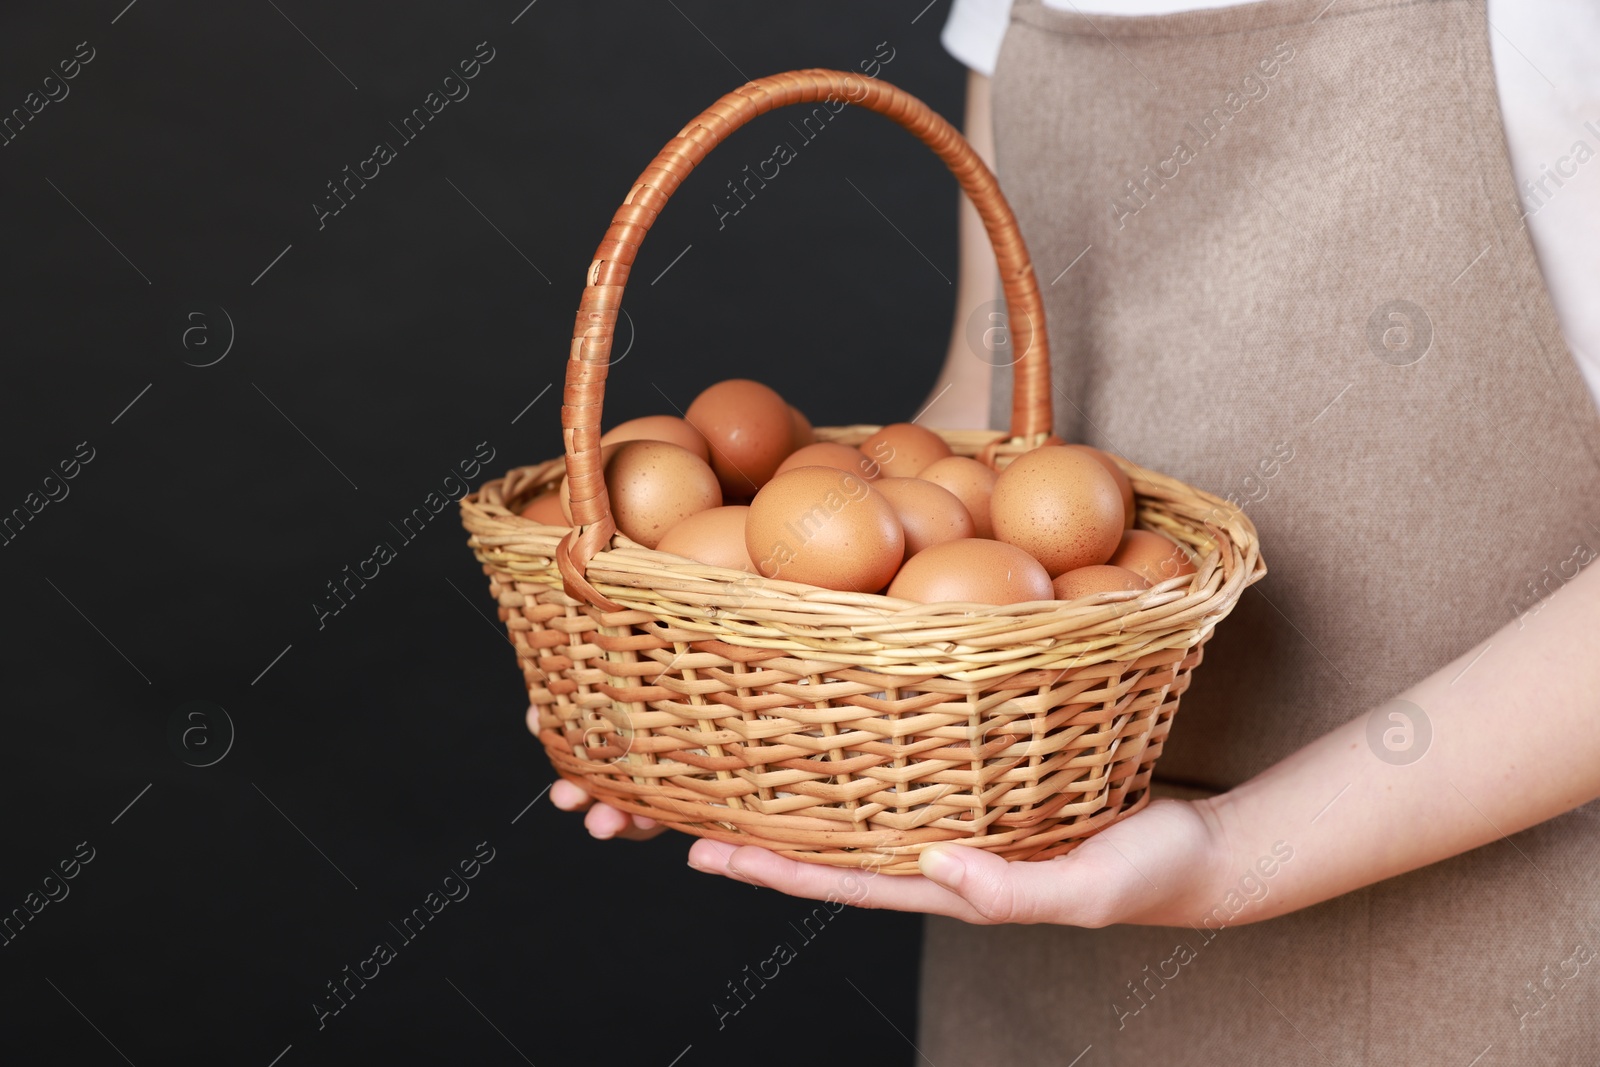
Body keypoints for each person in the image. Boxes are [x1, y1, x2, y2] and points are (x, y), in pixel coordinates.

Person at [553, 0, 1600, 1060]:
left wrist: (1231, 849)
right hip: (1035, 910)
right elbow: (989, 420)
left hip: (1470, 956)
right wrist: (747, 711)